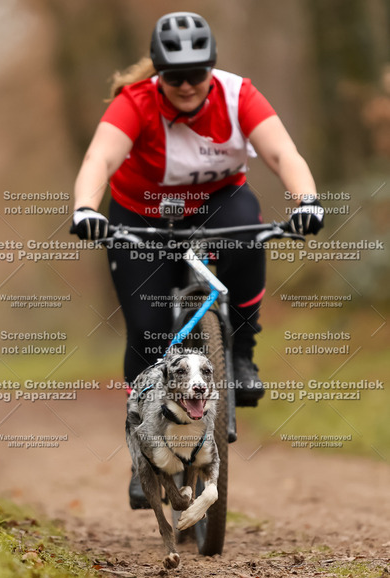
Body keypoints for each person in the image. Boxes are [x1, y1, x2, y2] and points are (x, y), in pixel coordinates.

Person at [71, 12, 324, 507]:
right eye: (174, 76)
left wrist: (307, 200)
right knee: (148, 330)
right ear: (158, 75)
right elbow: (99, 159)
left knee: (248, 234)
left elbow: (282, 154)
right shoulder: (135, 103)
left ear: (212, 68)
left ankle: (242, 352)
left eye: (196, 74)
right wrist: (85, 208)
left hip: (217, 203)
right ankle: (147, 454)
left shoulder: (238, 95)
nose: (186, 85)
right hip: (143, 215)